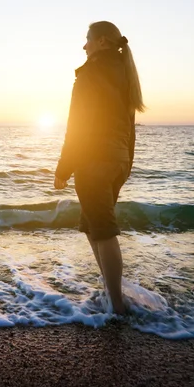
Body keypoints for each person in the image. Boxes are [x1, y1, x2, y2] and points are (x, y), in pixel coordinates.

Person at [54, 21, 145, 314]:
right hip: (117, 160)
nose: (84, 46)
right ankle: (111, 292)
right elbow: (129, 128)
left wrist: (63, 168)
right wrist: (125, 165)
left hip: (93, 160)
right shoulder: (125, 74)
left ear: (103, 41)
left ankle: (117, 305)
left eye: (88, 40)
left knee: (102, 230)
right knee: (92, 224)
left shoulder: (90, 74)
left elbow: (76, 127)